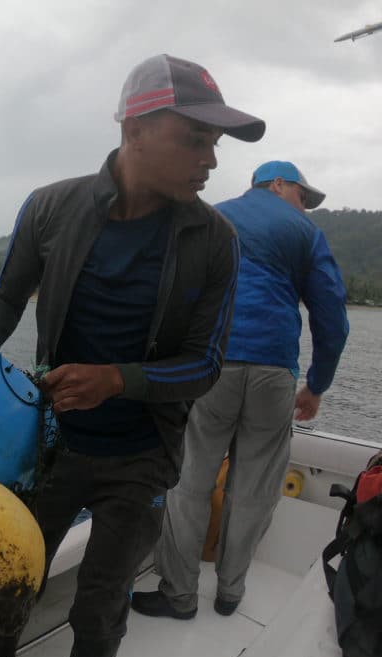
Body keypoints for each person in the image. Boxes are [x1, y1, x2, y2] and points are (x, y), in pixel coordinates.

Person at [0, 53, 264, 657]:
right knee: (8, 570)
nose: (210, 161)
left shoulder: (215, 241)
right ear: (134, 128)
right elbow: (6, 298)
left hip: (139, 453)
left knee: (100, 604)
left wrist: (116, 380)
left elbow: (206, 363)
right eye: (194, 139)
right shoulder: (50, 207)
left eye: (215, 145)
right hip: (49, 439)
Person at [131, 161, 349, 621]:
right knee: (254, 488)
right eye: (301, 194)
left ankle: (180, 595)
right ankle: (230, 592)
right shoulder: (305, 234)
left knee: (189, 481)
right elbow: (332, 318)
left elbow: (169, 291)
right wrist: (317, 385)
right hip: (274, 373)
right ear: (276, 183)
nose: (304, 205)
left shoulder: (213, 217)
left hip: (212, 366)